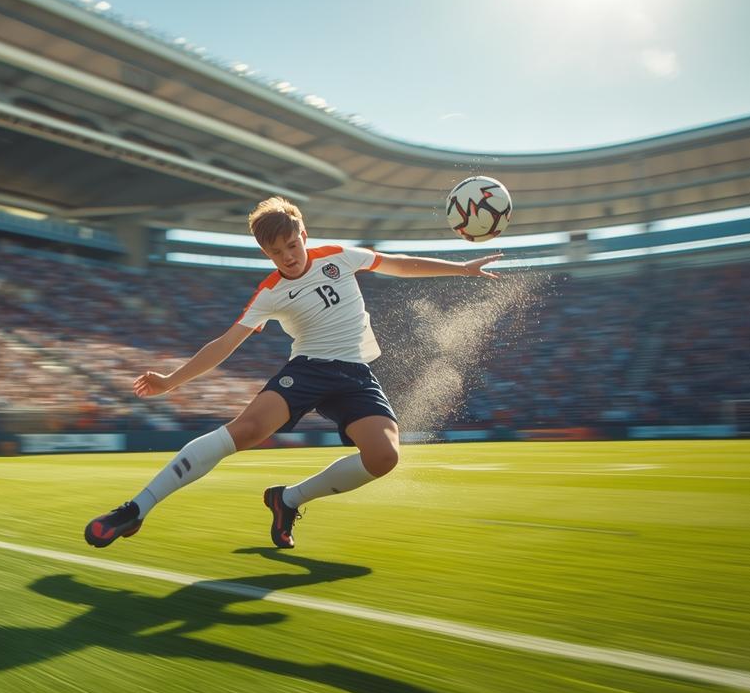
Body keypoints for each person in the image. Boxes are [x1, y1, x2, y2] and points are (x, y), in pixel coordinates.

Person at [84, 196, 501, 550]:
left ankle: (287, 499)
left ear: (303, 234)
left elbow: (399, 264)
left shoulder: (339, 255)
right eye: (275, 253)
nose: (286, 257)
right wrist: (171, 381)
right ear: (266, 254)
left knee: (384, 456)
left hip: (356, 374)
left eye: (290, 245)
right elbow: (225, 343)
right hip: (308, 370)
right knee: (244, 431)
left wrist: (462, 270)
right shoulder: (270, 292)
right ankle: (137, 508)